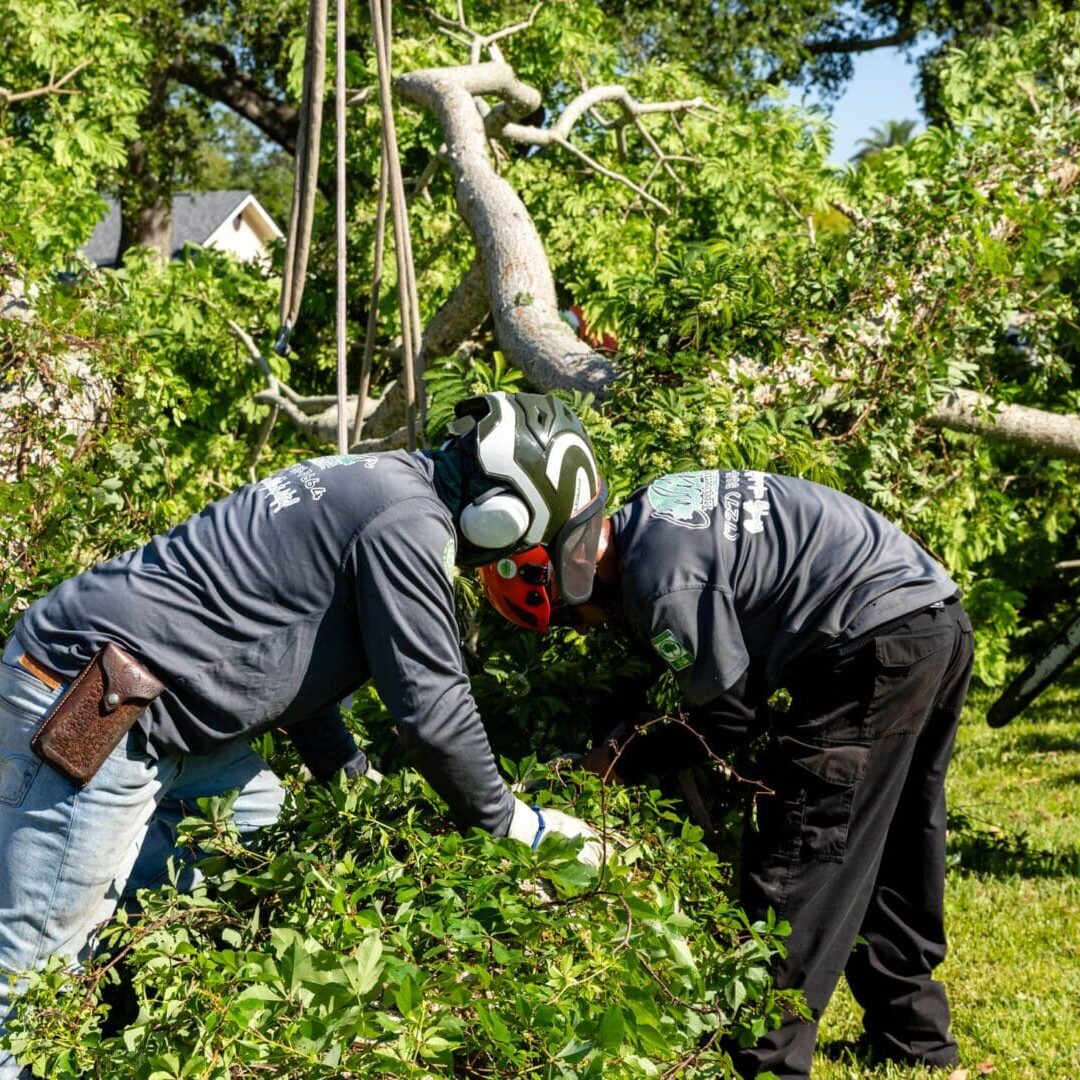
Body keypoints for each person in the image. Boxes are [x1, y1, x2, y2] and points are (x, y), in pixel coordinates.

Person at [0, 391, 608, 1079]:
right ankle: (60, 984)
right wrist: (513, 825)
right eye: (534, 536)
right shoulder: (409, 524)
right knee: (29, 977)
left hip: (154, 708)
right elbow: (434, 712)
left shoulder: (380, 480)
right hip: (102, 705)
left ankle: (104, 977)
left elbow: (285, 651)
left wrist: (350, 777)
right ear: (506, 512)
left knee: (256, 821)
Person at [481, 467, 974, 1079]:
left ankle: (765, 1062)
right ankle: (916, 1037)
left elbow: (729, 719)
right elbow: (674, 652)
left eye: (565, 618)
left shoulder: (659, 588)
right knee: (895, 832)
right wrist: (622, 728)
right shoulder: (652, 514)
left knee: (806, 845)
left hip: (871, 644)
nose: (587, 628)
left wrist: (623, 761)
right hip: (933, 615)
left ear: (566, 580)